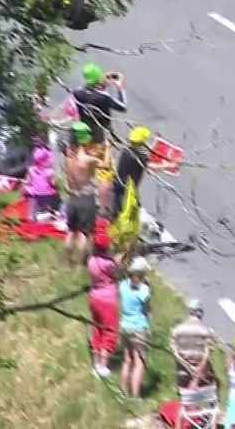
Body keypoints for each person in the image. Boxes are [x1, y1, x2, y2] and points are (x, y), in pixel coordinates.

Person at [64, 121, 103, 265]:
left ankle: (67, 261)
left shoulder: (68, 155)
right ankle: (82, 262)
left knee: (71, 231)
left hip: (72, 196)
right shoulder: (88, 159)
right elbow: (102, 166)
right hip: (86, 197)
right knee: (83, 233)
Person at [119, 256, 153, 397]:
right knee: (140, 361)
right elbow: (147, 309)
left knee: (127, 359)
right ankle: (135, 394)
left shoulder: (123, 285)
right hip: (138, 326)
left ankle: (123, 391)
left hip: (124, 324)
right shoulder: (144, 290)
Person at [87, 230, 120, 377]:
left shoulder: (91, 260)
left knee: (97, 329)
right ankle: (103, 365)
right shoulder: (108, 263)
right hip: (108, 298)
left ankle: (95, 363)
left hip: (94, 296)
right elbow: (117, 272)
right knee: (109, 330)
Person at [72, 62, 128, 145]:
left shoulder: (76, 93)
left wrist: (101, 83)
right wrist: (120, 88)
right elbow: (123, 107)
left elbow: (88, 93)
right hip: (99, 131)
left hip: (83, 128)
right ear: (98, 78)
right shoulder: (104, 97)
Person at [171, 298, 217, 390]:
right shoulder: (206, 331)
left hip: (182, 372)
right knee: (202, 400)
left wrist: (187, 366)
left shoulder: (177, 330)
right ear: (200, 313)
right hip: (202, 373)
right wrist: (197, 372)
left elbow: (174, 352)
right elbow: (206, 355)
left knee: (185, 399)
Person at [23, 145, 59, 218]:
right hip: (49, 196)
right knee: (55, 205)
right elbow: (53, 183)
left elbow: (27, 183)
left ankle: (37, 215)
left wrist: (26, 190)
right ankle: (51, 213)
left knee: (33, 214)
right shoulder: (49, 172)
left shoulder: (31, 169)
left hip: (36, 196)